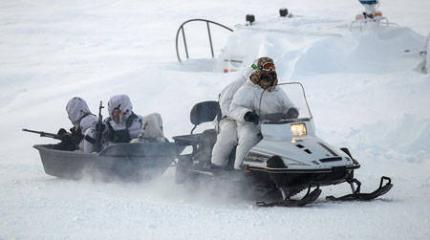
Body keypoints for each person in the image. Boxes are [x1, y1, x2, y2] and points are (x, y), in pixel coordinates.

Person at [229, 57, 297, 170]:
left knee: (298, 136)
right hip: (253, 124)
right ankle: (240, 168)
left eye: (272, 66)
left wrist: (291, 111)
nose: (270, 70)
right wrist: (247, 114)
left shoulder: (277, 90)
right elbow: (234, 108)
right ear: (260, 69)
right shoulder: (248, 89)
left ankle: (296, 164)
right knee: (249, 138)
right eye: (267, 67)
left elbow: (288, 104)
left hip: (276, 124)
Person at [83, 94, 165, 152]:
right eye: (112, 113)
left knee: (154, 118)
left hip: (138, 158)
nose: (114, 116)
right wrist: (100, 131)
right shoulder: (107, 123)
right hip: (111, 159)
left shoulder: (139, 121)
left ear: (125, 109)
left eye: (116, 112)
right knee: (90, 132)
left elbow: (144, 135)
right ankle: (89, 162)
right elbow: (103, 137)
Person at [210, 64, 255, 168]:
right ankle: (217, 166)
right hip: (229, 119)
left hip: (251, 120)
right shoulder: (237, 85)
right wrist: (244, 114)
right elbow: (225, 106)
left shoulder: (267, 87)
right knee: (229, 135)